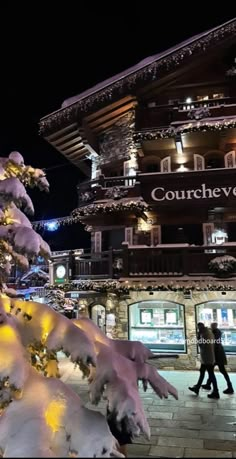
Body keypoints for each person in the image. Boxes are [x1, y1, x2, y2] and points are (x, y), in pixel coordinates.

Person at [189, 322, 220, 399]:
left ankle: (216, 391)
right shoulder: (208, 332)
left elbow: (200, 345)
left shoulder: (205, 334)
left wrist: (198, 336)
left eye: (199, 328)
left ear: (201, 327)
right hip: (207, 357)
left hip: (207, 358)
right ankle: (197, 388)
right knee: (202, 372)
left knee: (211, 374)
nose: (198, 330)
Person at [201, 322, 234, 395]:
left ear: (214, 326)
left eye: (212, 326)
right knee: (213, 370)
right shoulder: (216, 332)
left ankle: (229, 387)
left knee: (219, 370)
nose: (211, 326)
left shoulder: (215, 333)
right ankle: (209, 384)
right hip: (218, 354)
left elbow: (213, 341)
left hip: (218, 355)